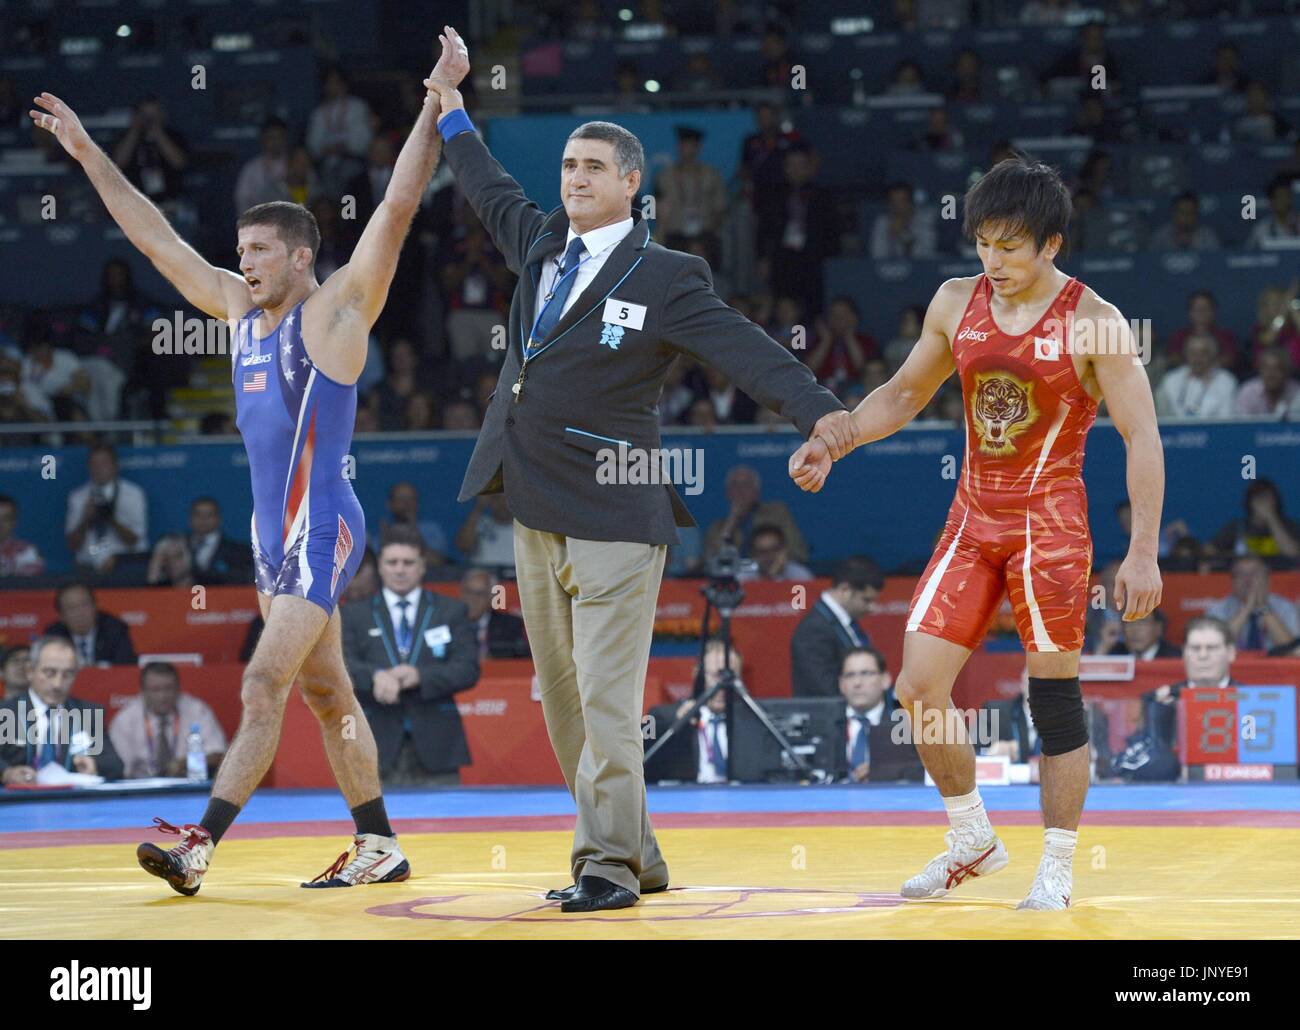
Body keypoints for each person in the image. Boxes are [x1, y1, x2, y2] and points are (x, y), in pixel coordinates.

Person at [426, 26, 849, 913]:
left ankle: (607, 867)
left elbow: (747, 350)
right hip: (533, 506)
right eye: (569, 164)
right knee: (563, 704)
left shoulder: (666, 274)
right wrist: (453, 110)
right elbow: (486, 186)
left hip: (617, 512)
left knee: (608, 703)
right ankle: (640, 851)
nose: (573, 177)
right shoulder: (541, 243)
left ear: (631, 184)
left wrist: (824, 417)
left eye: (592, 167)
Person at [29, 31, 453, 894]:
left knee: (263, 682)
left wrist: (434, 104)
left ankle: (197, 847)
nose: (245, 264)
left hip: (323, 525)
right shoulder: (235, 311)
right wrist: (87, 152)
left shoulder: (335, 313)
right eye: (242, 250)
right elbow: (155, 242)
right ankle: (380, 843)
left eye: (261, 252)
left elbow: (395, 211)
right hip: (271, 534)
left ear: (302, 257)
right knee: (329, 697)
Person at [791, 156, 1164, 910]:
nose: (993, 262)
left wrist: (1145, 551)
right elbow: (902, 394)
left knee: (1051, 699)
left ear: (1051, 245)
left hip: (1051, 528)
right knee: (918, 687)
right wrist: (834, 439)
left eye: (1010, 247)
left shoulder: (1096, 323)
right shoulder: (955, 302)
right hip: (971, 520)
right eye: (983, 243)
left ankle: (1056, 863)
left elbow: (1143, 435)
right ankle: (972, 838)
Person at [343, 526, 478, 785]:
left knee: (443, 823)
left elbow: (468, 668)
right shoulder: (354, 614)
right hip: (375, 743)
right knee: (377, 826)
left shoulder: (450, 611)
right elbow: (341, 665)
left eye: (408, 562)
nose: (400, 569)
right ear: (380, 567)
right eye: (392, 562)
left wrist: (420, 676)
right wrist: (375, 677)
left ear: (422, 566)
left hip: (439, 745)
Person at [0, 636, 123, 785]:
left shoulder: (86, 714)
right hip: (16, 802)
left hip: (71, 804)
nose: (57, 684)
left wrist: (94, 764)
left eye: (67, 675)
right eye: (49, 673)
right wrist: (6, 773)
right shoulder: (6, 712)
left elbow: (114, 764)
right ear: (30, 671)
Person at [108, 662, 228, 779]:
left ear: (178, 689)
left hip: (186, 786)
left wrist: (183, 763)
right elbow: (118, 769)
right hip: (139, 789)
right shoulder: (125, 720)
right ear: (142, 691)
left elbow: (218, 754)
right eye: (155, 690)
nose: (163, 696)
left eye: (168, 688)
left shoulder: (197, 711)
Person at [790, 557, 881, 697]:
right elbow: (825, 689)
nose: (871, 608)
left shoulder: (845, 623)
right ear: (845, 590)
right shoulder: (813, 630)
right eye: (866, 600)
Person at [840, 647, 924, 783]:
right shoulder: (824, 725)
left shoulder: (908, 726)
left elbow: (929, 772)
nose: (857, 683)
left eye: (866, 673)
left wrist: (884, 772)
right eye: (850, 675)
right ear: (841, 684)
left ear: (885, 680)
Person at [64, 443, 149, 574]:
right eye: (94, 464)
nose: (99, 469)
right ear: (88, 467)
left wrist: (111, 518)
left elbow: (135, 541)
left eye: (104, 463)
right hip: (87, 568)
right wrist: (85, 520)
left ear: (115, 466)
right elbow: (72, 545)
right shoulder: (78, 497)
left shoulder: (133, 494)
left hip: (124, 567)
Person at [1205, 555, 1300, 651]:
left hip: (1276, 665)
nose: (1248, 579)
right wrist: (1246, 608)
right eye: (1241, 574)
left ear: (1268, 580)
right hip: (1232, 665)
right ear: (1232, 582)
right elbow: (1215, 646)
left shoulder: (1285, 607)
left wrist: (1263, 607)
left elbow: (1292, 648)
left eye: (1255, 573)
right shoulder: (1217, 609)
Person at [44, 582, 137, 666]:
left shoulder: (114, 629)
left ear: (95, 607)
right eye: (71, 608)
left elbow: (125, 669)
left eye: (84, 605)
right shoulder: (53, 636)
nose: (79, 613)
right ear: (61, 616)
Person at [1210, 479, 1300, 563]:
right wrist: (1236, 556)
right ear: (1250, 502)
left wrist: (1271, 519)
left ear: (1276, 501)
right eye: (1258, 499)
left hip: (1281, 577)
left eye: (1267, 499)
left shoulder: (1290, 526)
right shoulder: (1237, 527)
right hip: (1246, 577)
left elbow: (1293, 554)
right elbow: (1210, 551)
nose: (1263, 504)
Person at [460, 567, 529, 659]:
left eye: (479, 594)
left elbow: (521, 658)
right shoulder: (449, 623)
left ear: (491, 597)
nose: (472, 599)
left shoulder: (510, 624)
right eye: (469, 592)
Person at [0, 494, 45, 577]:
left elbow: (31, 584)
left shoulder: (28, 552)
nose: (0, 524)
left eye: (6, 518)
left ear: (14, 522)